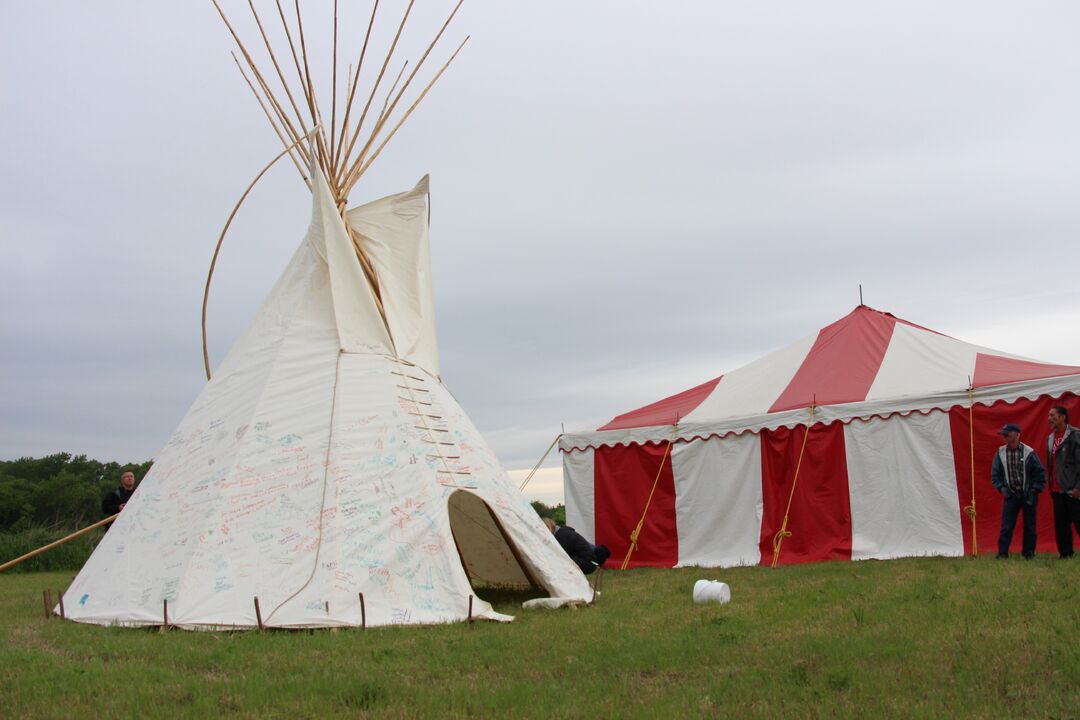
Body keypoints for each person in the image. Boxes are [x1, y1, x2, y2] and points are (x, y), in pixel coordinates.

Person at [990, 423, 1045, 559]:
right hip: (1011, 494)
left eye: (1007, 434)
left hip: (1027, 494)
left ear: (1017, 435)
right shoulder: (1000, 452)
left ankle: (1029, 553)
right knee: (1007, 526)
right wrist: (1002, 488)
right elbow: (995, 474)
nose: (1004, 437)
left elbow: (1040, 473)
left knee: (1030, 526)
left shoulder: (1029, 452)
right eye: (1004, 434)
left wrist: (1034, 490)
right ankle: (1002, 553)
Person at [1046, 406, 1080, 558]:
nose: (1049, 418)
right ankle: (1065, 553)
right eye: (1048, 416)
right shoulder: (1050, 438)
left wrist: (1079, 487)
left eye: (1053, 415)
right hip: (1056, 489)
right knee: (1061, 524)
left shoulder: (1075, 435)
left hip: (1073, 488)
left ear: (1063, 417)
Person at [543, 517, 611, 575]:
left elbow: (562, 557)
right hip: (591, 562)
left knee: (562, 564)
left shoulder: (561, 536)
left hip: (589, 563)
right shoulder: (563, 532)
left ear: (549, 527)